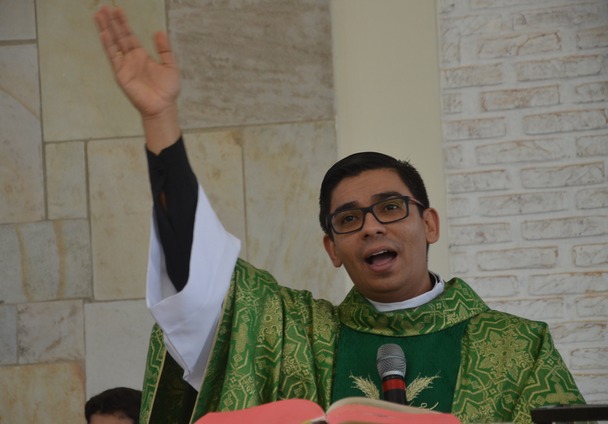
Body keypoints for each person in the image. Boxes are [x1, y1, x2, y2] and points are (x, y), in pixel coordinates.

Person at [93, 6, 585, 424]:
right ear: (331, 248)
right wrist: (160, 121)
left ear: (429, 223)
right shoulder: (295, 336)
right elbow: (201, 279)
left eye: (391, 208)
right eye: (348, 220)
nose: (372, 226)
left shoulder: (518, 348)